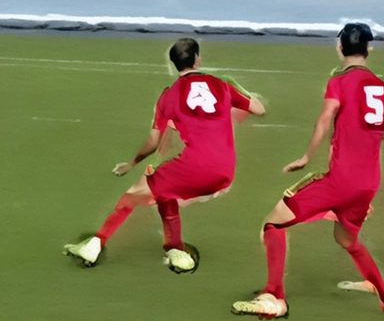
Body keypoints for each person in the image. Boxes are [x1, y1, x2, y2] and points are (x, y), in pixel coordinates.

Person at [231, 24, 384, 320]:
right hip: (367, 183)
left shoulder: (339, 80)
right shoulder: (380, 85)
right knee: (347, 240)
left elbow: (325, 119)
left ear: (340, 47)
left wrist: (306, 156)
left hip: (340, 181)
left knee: (273, 225)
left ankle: (275, 296)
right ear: (369, 49)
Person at [64, 38, 265, 272]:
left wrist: (132, 163)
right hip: (225, 170)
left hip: (194, 167)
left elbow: (153, 141)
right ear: (198, 60)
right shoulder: (221, 84)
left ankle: (95, 244)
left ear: (173, 65)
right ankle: (174, 247)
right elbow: (258, 109)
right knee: (164, 190)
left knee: (132, 195)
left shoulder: (169, 96)